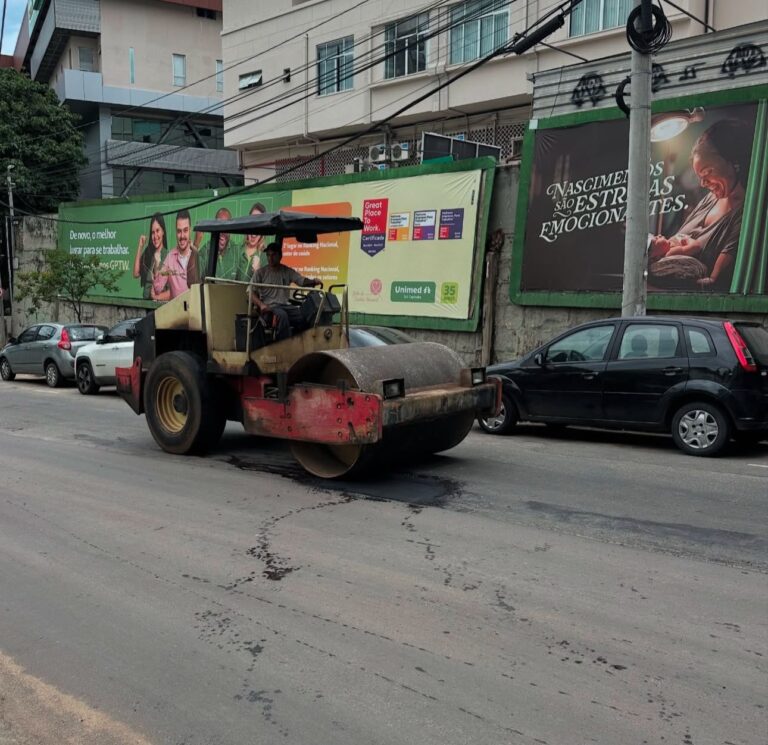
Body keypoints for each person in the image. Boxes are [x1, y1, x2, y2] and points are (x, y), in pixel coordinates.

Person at [649, 118, 753, 291]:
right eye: (699, 176)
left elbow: (719, 277)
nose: (703, 183)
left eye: (707, 172)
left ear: (734, 162)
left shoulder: (746, 213)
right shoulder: (708, 200)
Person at [248, 242, 321, 341]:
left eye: (273, 255)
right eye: (268, 255)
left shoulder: (286, 271)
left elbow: (302, 281)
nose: (270, 258)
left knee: (304, 317)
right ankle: (284, 346)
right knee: (282, 316)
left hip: (285, 306)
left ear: (280, 256)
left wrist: (314, 281)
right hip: (270, 307)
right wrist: (261, 305)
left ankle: (302, 343)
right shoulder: (260, 273)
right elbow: (250, 292)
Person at [152, 209, 200, 301]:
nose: (182, 236)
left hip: (195, 313)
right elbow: (158, 288)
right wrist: (157, 265)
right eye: (179, 231)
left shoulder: (197, 254)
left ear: (190, 230)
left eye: (185, 230)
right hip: (177, 313)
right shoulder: (170, 258)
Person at [195, 206, 241, 280]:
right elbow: (193, 281)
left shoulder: (237, 252)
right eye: (218, 226)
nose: (221, 232)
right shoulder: (205, 251)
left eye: (225, 227)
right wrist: (196, 244)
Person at [133, 213, 168, 300]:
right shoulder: (149, 252)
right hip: (145, 304)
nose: (155, 236)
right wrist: (140, 246)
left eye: (157, 231)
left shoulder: (168, 256)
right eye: (153, 232)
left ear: (163, 231)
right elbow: (136, 273)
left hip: (158, 306)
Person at [235, 202, 268, 282]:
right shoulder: (236, 250)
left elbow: (268, 290)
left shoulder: (267, 256)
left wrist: (258, 271)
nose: (254, 233)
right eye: (252, 222)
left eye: (258, 223)